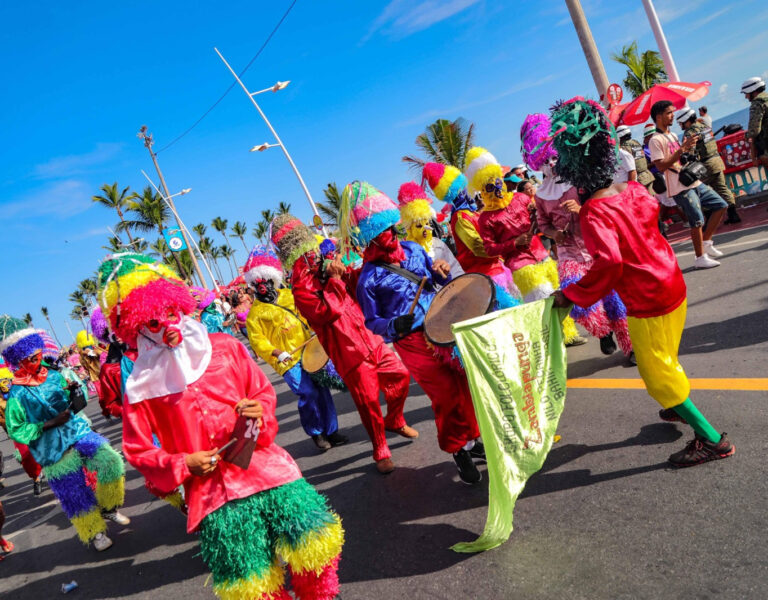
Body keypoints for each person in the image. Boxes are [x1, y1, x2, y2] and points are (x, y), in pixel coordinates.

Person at [98, 252, 343, 600]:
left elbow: (261, 392)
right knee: (250, 586)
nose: (169, 326)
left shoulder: (226, 348)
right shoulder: (140, 389)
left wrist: (260, 410)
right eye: (154, 322)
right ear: (135, 328)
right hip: (215, 497)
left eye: (171, 313)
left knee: (317, 547)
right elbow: (138, 449)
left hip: (269, 471)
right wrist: (183, 464)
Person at [549, 96, 735, 467]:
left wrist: (570, 295)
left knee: (655, 372)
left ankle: (711, 439)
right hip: (673, 283)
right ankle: (676, 406)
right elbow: (651, 217)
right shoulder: (634, 191)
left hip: (647, 300)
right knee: (666, 356)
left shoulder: (594, 211)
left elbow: (610, 264)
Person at [340, 181, 486, 485]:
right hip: (412, 342)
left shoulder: (412, 248)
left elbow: (433, 275)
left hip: (443, 325)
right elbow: (372, 321)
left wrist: (439, 270)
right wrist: (394, 325)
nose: (393, 237)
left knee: (464, 382)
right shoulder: (368, 278)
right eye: (385, 235)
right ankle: (457, 448)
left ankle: (473, 439)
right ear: (370, 241)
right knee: (445, 394)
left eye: (392, 230)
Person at [271, 213, 416, 474]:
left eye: (312, 250)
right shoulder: (300, 285)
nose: (313, 255)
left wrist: (361, 267)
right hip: (348, 350)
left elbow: (354, 283)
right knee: (368, 401)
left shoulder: (324, 262)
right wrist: (335, 279)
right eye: (306, 251)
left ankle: (394, 418)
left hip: (368, 336)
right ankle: (380, 449)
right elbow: (328, 311)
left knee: (401, 375)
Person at [1, 315, 129, 551]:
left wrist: (73, 392)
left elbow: (75, 400)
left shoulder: (53, 374)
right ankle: (95, 533)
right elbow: (16, 429)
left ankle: (109, 507)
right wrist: (47, 424)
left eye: (37, 355)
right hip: (51, 449)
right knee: (74, 492)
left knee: (111, 461)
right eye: (30, 358)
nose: (37, 360)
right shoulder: (16, 394)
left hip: (77, 431)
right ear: (18, 360)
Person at [522, 112, 633, 358]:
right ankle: (603, 332)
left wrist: (582, 210)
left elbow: (601, 206)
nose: (550, 163)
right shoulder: (541, 195)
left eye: (553, 157)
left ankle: (630, 347)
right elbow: (543, 224)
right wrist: (554, 234)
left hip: (595, 247)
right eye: (545, 160)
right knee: (577, 298)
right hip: (568, 254)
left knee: (614, 299)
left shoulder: (579, 181)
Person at [466, 146, 584, 345]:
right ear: (482, 192)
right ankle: (552, 340)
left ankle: (568, 335)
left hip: (542, 255)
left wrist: (539, 219)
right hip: (521, 265)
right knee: (544, 298)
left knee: (559, 294)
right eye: (488, 187)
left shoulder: (521, 199)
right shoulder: (485, 219)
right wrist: (514, 243)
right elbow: (489, 249)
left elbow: (542, 217)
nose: (495, 189)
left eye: (496, 182)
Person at [243, 245, 347, 452]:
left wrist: (317, 330)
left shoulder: (289, 296)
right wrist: (276, 353)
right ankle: (316, 433)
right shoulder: (254, 314)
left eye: (265, 281)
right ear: (253, 285)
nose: (262, 286)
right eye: (257, 283)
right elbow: (257, 341)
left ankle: (332, 430)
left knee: (322, 390)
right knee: (307, 392)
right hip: (287, 359)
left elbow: (307, 313)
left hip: (309, 350)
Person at [422, 162, 521, 303]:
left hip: (497, 267)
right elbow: (477, 246)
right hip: (486, 276)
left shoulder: (470, 213)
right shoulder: (460, 217)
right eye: (464, 189)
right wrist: (503, 247)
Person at [649, 100, 727, 269]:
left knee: (721, 205)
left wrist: (687, 151)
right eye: (669, 113)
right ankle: (700, 258)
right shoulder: (655, 140)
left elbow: (679, 158)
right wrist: (681, 149)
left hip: (692, 180)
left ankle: (706, 241)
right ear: (659, 116)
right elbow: (661, 166)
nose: (672, 116)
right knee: (696, 220)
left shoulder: (672, 135)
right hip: (679, 186)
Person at [677, 107, 741, 224]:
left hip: (705, 166)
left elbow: (689, 151)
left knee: (698, 192)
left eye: (680, 122)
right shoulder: (705, 126)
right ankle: (733, 214)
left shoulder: (690, 132)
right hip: (717, 161)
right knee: (722, 189)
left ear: (686, 120)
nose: (680, 125)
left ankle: (709, 219)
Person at [397, 182, 463, 278]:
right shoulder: (406, 253)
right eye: (419, 226)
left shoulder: (438, 244)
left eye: (427, 224)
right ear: (410, 228)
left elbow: (456, 269)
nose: (425, 229)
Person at [1, 366, 44, 495]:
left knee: (45, 449)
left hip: (33, 423)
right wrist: (9, 421)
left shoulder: (19, 389)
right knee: (26, 456)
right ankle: (36, 478)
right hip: (17, 431)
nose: (5, 385)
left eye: (6, 381)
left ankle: (55, 474)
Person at [617, 125, 655, 191]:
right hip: (647, 176)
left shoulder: (624, 148)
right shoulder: (635, 142)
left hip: (639, 180)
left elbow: (630, 167)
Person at [742, 76, 768, 171]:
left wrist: (746, 135)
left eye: (746, 94)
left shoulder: (757, 103)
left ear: (752, 90)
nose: (746, 97)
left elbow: (754, 130)